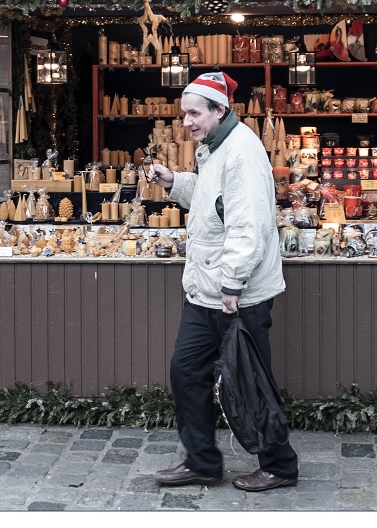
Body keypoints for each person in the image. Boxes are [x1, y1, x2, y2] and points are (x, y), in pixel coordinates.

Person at [149, 71, 299, 492]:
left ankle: (280, 466)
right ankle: (201, 462)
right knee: (186, 370)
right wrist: (176, 183)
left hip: (237, 293)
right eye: (184, 115)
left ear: (220, 109)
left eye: (195, 113)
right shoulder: (214, 147)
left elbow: (248, 225)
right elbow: (216, 200)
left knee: (248, 379)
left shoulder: (242, 152)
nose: (187, 122)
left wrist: (232, 285)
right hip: (208, 289)